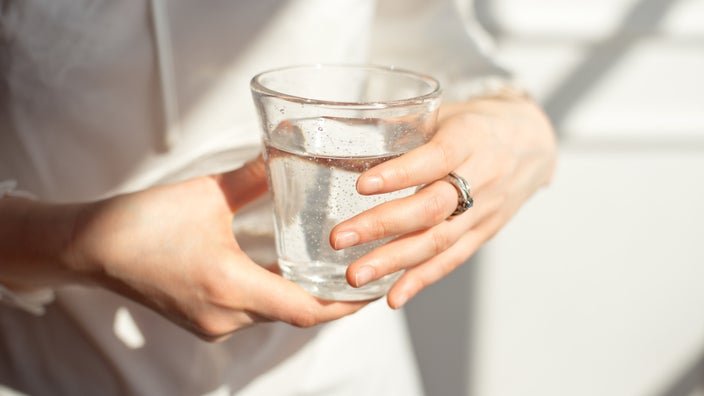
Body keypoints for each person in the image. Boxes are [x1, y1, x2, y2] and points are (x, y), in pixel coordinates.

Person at [0, 0, 557, 395]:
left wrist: (516, 129)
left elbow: (435, 47)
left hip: (341, 366)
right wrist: (71, 242)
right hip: (55, 368)